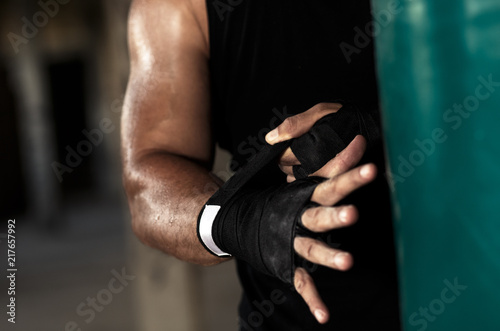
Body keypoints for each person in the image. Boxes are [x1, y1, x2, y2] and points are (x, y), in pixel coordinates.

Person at [121, 0, 401, 329]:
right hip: (294, 318)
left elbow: (475, 89)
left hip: (467, 292)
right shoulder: (178, 6)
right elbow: (148, 182)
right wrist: (245, 221)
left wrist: (378, 128)